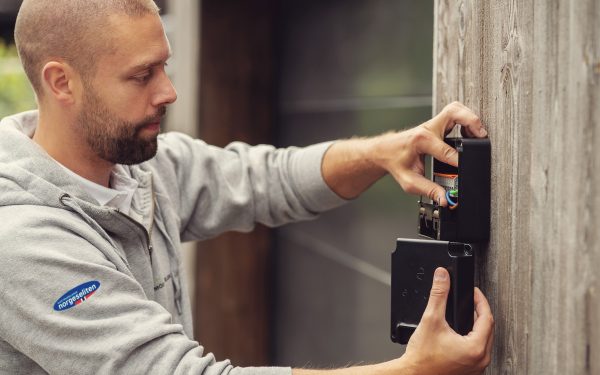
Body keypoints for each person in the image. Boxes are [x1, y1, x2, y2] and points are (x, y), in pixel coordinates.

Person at [0, 0, 494, 374]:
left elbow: (266, 179)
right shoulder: (23, 242)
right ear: (62, 82)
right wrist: (410, 371)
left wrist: (381, 152)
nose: (167, 91)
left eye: (165, 65)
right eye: (142, 75)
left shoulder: (136, 167)